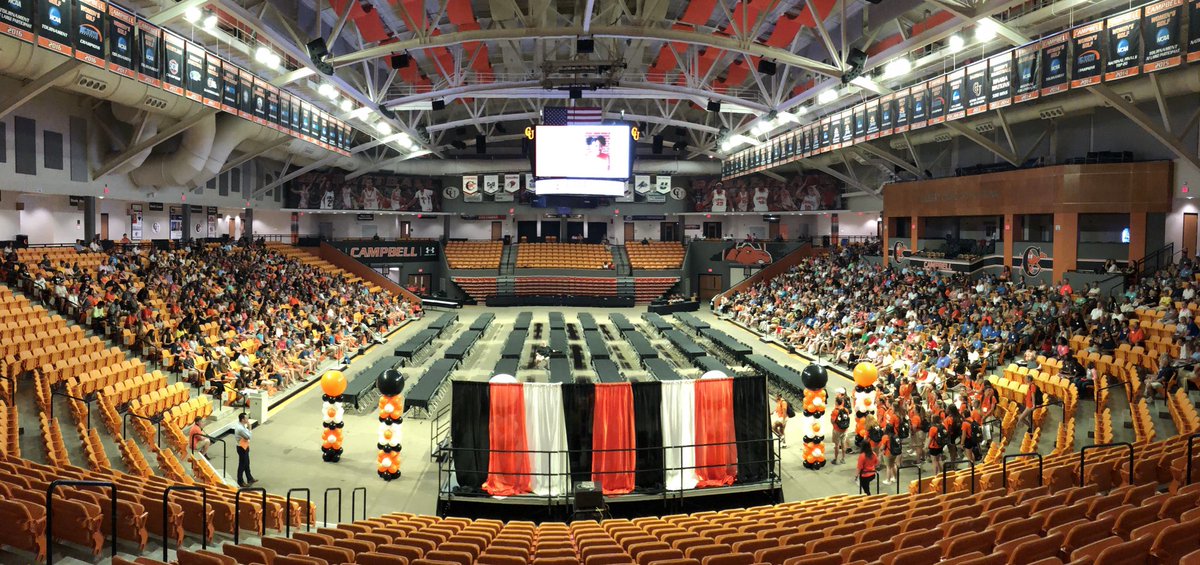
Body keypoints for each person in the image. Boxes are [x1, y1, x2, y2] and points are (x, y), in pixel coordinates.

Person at [234, 412, 257, 487]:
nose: (248, 419)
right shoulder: (240, 428)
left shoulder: (241, 425)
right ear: (242, 419)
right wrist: (250, 428)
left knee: (247, 463)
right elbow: (248, 436)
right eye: (246, 418)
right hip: (242, 448)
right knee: (242, 465)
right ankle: (240, 481)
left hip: (244, 446)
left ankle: (249, 478)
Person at [830, 391, 850, 464]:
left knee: (837, 445)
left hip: (837, 430)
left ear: (836, 402)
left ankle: (836, 459)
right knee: (843, 444)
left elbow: (832, 421)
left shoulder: (835, 411)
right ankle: (843, 459)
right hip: (845, 430)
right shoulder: (846, 410)